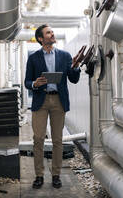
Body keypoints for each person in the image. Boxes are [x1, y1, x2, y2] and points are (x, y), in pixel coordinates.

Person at [24, 24, 82, 189]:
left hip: (58, 101)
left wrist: (75, 66)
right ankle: (39, 175)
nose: (52, 34)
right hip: (40, 102)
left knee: (57, 140)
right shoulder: (34, 58)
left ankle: (56, 175)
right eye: (48, 33)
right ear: (41, 39)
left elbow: (73, 79)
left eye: (52, 32)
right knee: (38, 139)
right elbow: (27, 82)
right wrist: (35, 83)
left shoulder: (64, 56)